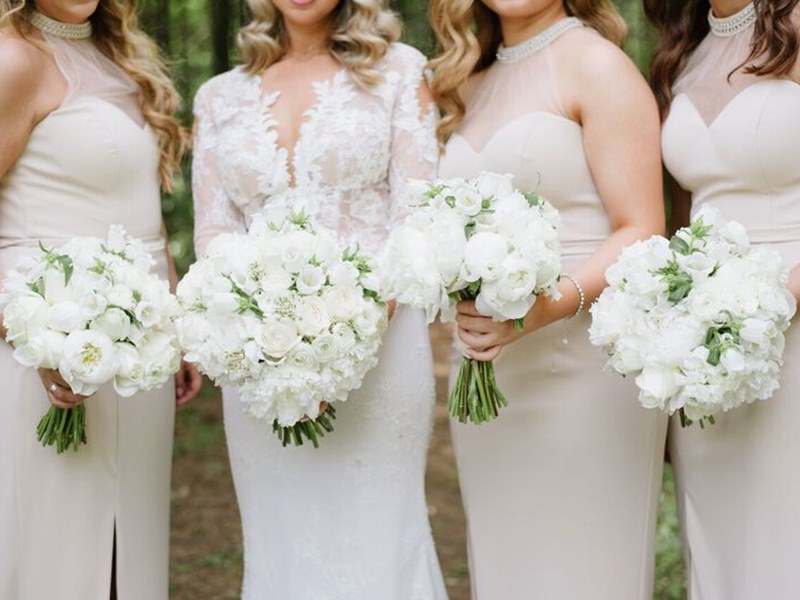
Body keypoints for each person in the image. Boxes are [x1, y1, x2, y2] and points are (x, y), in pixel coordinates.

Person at [191, 1, 447, 598]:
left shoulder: (400, 72)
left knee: (379, 536)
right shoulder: (218, 97)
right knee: (281, 541)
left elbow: (416, 215)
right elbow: (213, 233)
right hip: (258, 365)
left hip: (380, 350)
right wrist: (264, 346)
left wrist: (339, 338)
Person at [429, 1, 667, 597]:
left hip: (584, 366)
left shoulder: (597, 66)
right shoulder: (465, 82)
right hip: (492, 374)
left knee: (588, 568)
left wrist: (547, 306)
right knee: (510, 565)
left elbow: (642, 227)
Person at [0, 1, 201, 598]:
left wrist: (176, 326)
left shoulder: (118, 57)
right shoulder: (15, 60)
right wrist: (27, 333)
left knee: (129, 552)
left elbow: (148, 222)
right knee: (58, 552)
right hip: (45, 354)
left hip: (139, 354)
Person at [646, 1, 800, 597]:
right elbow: (682, 218)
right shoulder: (682, 48)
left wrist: (781, 293)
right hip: (708, 347)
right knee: (725, 546)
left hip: (790, 321)